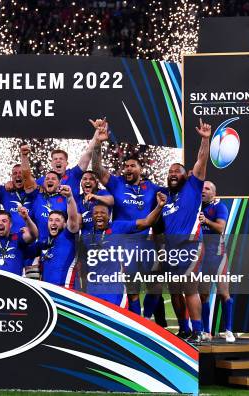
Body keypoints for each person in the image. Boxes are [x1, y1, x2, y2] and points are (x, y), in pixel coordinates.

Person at [91, 118, 166, 321]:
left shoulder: (152, 188)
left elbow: (174, 195)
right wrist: (98, 141)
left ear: (140, 169)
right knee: (132, 290)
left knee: (156, 287)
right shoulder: (116, 184)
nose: (128, 169)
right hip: (124, 244)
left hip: (146, 242)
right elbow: (97, 169)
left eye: (132, 166)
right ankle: (138, 324)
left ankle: (147, 318)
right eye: (125, 166)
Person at [160, 118, 212, 344]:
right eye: (170, 171)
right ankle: (184, 329)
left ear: (186, 175)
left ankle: (199, 331)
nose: (173, 173)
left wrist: (205, 140)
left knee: (189, 287)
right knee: (174, 291)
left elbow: (201, 161)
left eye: (177, 171)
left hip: (190, 246)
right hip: (170, 251)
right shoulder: (166, 197)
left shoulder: (193, 186)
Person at [80, 193, 167, 306]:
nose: (99, 215)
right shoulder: (86, 235)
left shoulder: (118, 227)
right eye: (96, 213)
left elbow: (146, 222)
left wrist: (159, 206)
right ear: (92, 216)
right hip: (93, 290)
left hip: (115, 290)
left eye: (103, 213)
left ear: (109, 215)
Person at [199, 181, 235, 343]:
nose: (203, 191)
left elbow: (221, 228)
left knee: (224, 293)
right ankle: (207, 332)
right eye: (202, 188)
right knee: (203, 295)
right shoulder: (196, 207)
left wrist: (205, 221)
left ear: (214, 193)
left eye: (207, 188)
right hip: (202, 258)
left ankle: (229, 331)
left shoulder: (220, 207)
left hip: (218, 256)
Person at [33, 184, 81, 286]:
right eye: (50, 220)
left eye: (57, 220)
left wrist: (69, 197)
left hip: (66, 292)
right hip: (48, 293)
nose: (53, 223)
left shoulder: (68, 236)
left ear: (64, 224)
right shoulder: (44, 243)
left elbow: (72, 218)